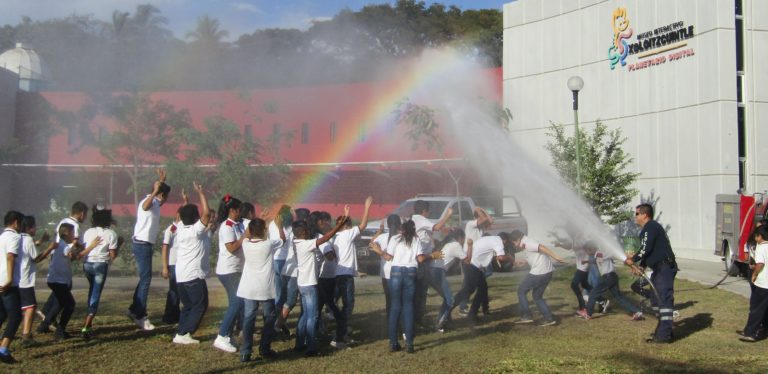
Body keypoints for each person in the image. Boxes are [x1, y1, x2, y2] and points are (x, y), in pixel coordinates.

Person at [292, 206, 349, 357]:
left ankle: (299, 343)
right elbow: (325, 238)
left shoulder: (297, 242)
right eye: (305, 231)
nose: (307, 232)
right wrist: (337, 227)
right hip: (310, 285)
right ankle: (311, 347)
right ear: (302, 233)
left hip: (302, 284)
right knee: (312, 316)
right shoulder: (306, 244)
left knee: (305, 315)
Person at [624, 203, 677, 343]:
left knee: (663, 299)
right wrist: (641, 265)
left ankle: (664, 336)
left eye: (636, 214)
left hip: (664, 268)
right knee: (655, 299)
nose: (635, 217)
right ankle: (664, 331)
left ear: (644, 215)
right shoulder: (649, 229)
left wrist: (633, 259)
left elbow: (645, 248)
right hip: (659, 268)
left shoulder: (650, 227)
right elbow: (651, 250)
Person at [40, 223, 101, 340]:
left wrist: (83, 246)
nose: (75, 235)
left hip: (54, 280)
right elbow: (75, 257)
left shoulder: (61, 245)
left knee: (60, 303)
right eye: (73, 233)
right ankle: (60, 331)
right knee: (70, 304)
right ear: (67, 233)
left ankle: (44, 325)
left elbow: (73, 253)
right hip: (59, 281)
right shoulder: (64, 247)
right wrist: (92, 246)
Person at [128, 169, 171, 331]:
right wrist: (155, 191)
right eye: (165, 197)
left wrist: (161, 180)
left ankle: (134, 309)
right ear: (161, 195)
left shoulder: (156, 202)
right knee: (146, 280)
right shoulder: (148, 201)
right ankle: (140, 315)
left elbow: (157, 201)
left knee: (144, 278)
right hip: (142, 244)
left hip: (145, 245)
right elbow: (146, 206)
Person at [238, 217, 284, 362]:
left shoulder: (245, 243)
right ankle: (265, 349)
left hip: (249, 287)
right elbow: (283, 239)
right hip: (265, 287)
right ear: (265, 230)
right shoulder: (269, 244)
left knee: (249, 318)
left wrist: (255, 224)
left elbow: (245, 236)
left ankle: (245, 351)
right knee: (269, 318)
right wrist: (279, 226)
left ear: (250, 231)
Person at [172, 182, 211, 345]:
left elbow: (181, 216)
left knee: (188, 306)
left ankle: (181, 333)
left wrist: (185, 201)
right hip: (193, 275)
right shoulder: (196, 230)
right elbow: (207, 214)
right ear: (196, 218)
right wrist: (201, 193)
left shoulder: (180, 229)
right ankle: (186, 332)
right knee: (200, 305)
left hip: (180, 275)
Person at [331, 196, 373, 346]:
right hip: (345, 276)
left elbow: (346, 226)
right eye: (349, 224)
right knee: (348, 306)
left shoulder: (337, 237)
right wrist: (367, 207)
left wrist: (346, 213)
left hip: (340, 275)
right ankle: (339, 336)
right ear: (347, 226)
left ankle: (341, 331)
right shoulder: (346, 234)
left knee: (341, 305)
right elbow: (363, 225)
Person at [383, 220, 429, 353]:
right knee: (408, 306)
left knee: (395, 306)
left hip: (396, 271)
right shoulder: (416, 239)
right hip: (410, 272)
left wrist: (378, 251)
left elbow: (388, 257)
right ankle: (409, 343)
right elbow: (420, 259)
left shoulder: (395, 238)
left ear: (401, 229)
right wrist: (431, 255)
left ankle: (393, 343)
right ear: (413, 229)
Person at [79, 206, 122, 339]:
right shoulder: (111, 234)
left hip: (87, 264)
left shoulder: (88, 231)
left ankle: (88, 320)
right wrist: (119, 244)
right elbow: (113, 256)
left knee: (92, 291)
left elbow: (84, 246)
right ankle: (86, 325)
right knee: (96, 294)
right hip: (100, 265)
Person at [577, 241, 643, 320]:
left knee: (593, 293)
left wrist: (629, 261)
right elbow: (598, 260)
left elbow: (602, 257)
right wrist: (587, 261)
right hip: (612, 277)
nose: (587, 253)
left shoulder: (599, 253)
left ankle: (588, 313)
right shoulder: (599, 254)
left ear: (590, 249)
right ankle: (636, 311)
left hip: (608, 277)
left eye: (587, 251)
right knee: (619, 297)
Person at [410, 200, 452, 327]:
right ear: (424, 211)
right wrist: (448, 215)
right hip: (423, 260)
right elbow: (436, 227)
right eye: (428, 211)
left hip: (415, 258)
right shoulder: (421, 219)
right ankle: (418, 320)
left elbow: (430, 233)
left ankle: (415, 320)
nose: (428, 214)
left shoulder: (412, 219)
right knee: (421, 292)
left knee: (417, 292)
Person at [213, 194, 246, 353]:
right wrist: (245, 238)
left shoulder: (237, 224)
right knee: (237, 302)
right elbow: (231, 248)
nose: (241, 212)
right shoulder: (226, 226)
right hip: (228, 270)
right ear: (232, 210)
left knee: (239, 302)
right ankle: (222, 336)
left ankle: (228, 334)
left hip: (237, 268)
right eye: (239, 209)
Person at [511, 230, 566, 326]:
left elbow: (542, 247)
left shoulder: (527, 242)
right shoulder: (526, 243)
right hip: (547, 272)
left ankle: (526, 316)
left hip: (539, 272)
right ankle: (549, 318)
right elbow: (535, 255)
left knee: (521, 291)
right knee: (537, 296)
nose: (515, 245)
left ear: (518, 239)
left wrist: (556, 257)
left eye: (514, 242)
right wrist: (524, 262)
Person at [452, 234, 510, 322]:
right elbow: (501, 257)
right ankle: (448, 308)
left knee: (482, 288)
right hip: (472, 265)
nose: (504, 246)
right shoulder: (498, 241)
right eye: (505, 244)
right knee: (468, 290)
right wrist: (510, 258)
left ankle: (474, 313)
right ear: (504, 240)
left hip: (472, 264)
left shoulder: (490, 239)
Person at [17, 215, 50, 347]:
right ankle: (26, 335)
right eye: (34, 226)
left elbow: (28, 249)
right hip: (25, 279)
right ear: (29, 228)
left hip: (15, 278)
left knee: (18, 308)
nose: (36, 228)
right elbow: (36, 258)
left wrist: (41, 241)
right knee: (31, 307)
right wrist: (50, 248)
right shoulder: (28, 240)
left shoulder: (17, 238)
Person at [430, 229, 469, 332]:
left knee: (446, 298)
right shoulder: (456, 245)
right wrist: (470, 246)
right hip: (437, 272)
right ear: (461, 238)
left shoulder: (449, 244)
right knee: (450, 300)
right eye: (463, 240)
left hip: (432, 271)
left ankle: (444, 320)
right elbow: (467, 260)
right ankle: (439, 324)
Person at [161, 191, 188, 325]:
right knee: (173, 291)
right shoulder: (171, 229)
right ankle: (169, 316)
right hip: (173, 264)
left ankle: (175, 314)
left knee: (179, 290)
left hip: (181, 264)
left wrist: (185, 200)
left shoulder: (183, 228)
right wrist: (165, 267)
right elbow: (165, 248)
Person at [459, 207, 493, 315]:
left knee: (482, 285)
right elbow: (484, 219)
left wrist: (482, 209)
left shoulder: (481, 227)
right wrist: (479, 210)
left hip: (477, 260)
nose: (484, 219)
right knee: (470, 285)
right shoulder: (470, 224)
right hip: (468, 259)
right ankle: (463, 307)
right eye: (481, 216)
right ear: (476, 217)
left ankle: (485, 308)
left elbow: (490, 220)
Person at [0, 211, 24, 364]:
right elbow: (10, 256)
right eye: (21, 223)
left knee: (1, 315)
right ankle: (3, 350)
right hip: (7, 283)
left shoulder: (1, 237)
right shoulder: (15, 236)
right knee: (15, 316)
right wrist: (9, 279)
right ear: (15, 223)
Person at [369, 215, 403, 319]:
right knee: (400, 300)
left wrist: (380, 230)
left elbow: (371, 243)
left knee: (389, 300)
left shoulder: (383, 237)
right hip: (400, 272)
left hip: (386, 273)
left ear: (388, 225)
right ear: (399, 225)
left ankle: (391, 321)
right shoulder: (402, 237)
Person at [740, 224, 768, 342]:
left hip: (763, 283)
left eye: (756, 236)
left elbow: (760, 263)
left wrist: (754, 274)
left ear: (760, 236)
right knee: (766, 309)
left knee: (756, 309)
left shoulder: (761, 247)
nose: (755, 238)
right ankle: (763, 330)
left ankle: (750, 333)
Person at [271, 205, 295, 338]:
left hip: (281, 260)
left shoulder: (273, 224)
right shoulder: (286, 226)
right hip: (281, 260)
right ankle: (275, 324)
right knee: (280, 296)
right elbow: (283, 240)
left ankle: (279, 322)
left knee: (282, 295)